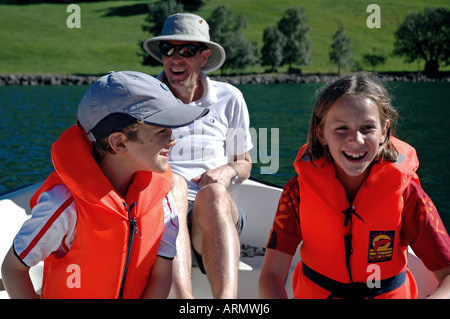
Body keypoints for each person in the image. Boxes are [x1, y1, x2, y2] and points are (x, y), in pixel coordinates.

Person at [1, 71, 208, 299]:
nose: (173, 139)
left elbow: (161, 276)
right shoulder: (64, 205)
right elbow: (13, 268)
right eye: (162, 131)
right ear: (119, 142)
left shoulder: (162, 201)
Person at [258, 72, 450, 299]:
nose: (356, 140)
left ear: (384, 131)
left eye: (367, 128)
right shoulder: (298, 193)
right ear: (321, 133)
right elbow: (271, 275)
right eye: (341, 128)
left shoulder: (408, 195)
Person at [143, 13, 253, 298]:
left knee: (213, 193)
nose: (175, 58)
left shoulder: (230, 98)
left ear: (204, 57)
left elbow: (244, 162)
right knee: (174, 184)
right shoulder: (145, 101)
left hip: (216, 217)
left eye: (187, 50)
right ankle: (185, 301)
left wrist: (227, 171)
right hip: (161, 215)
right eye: (168, 49)